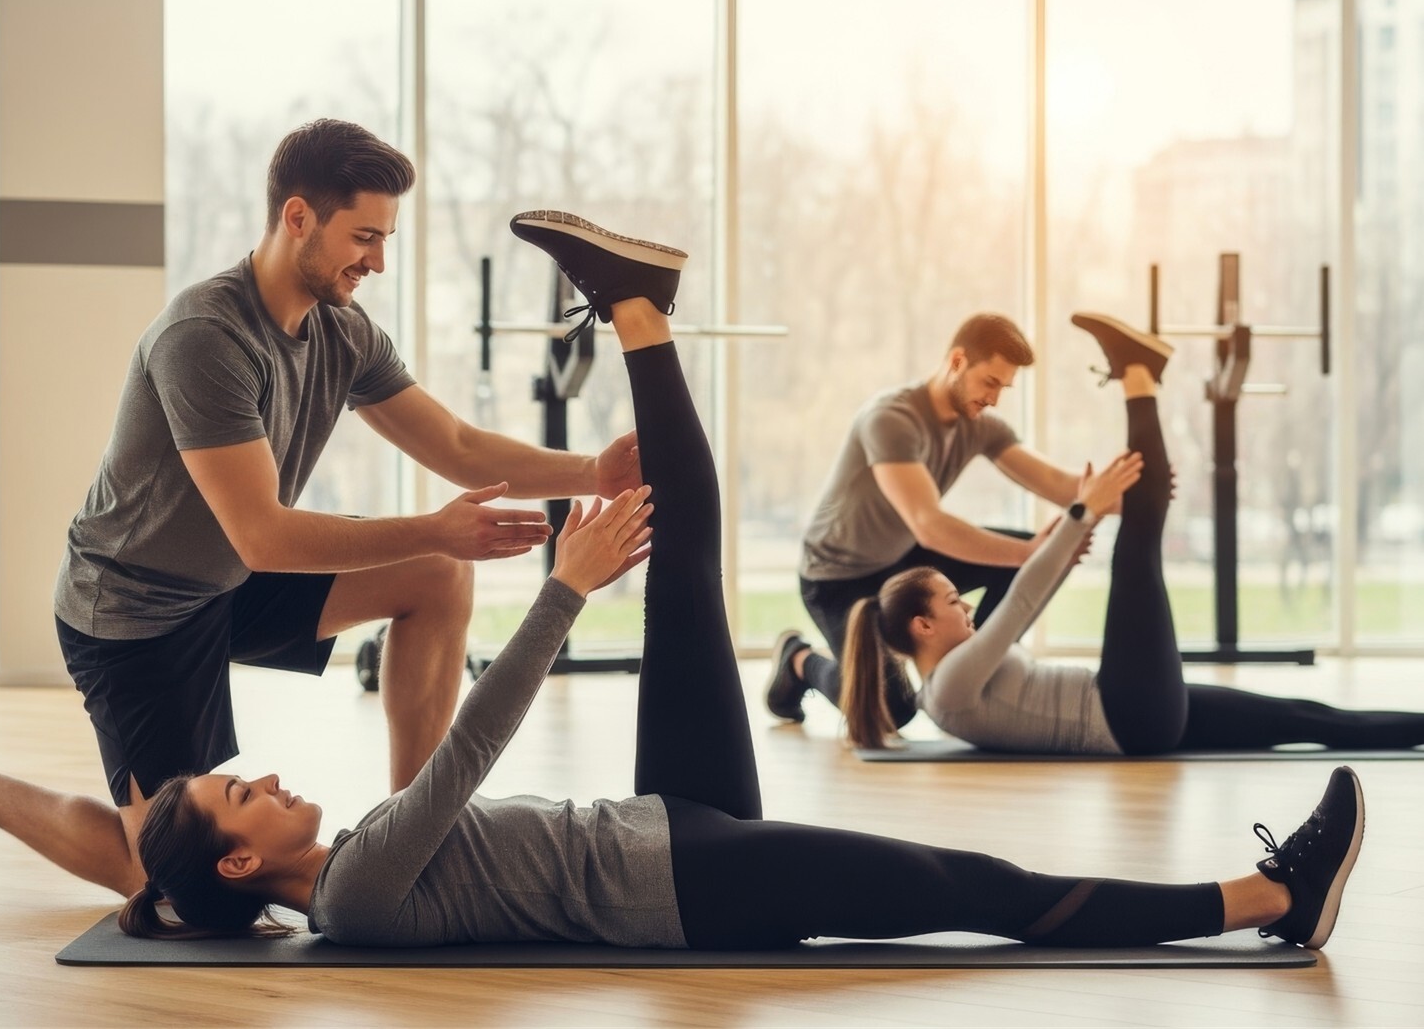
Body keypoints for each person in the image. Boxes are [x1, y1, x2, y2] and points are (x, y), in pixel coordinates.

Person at [115, 213, 1358, 953]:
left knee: (687, 577)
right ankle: (1264, 897)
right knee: (967, 887)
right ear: (237, 866)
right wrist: (562, 590)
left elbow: (463, 778)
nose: (265, 775)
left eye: (243, 773)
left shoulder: (349, 866)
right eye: (241, 793)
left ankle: (640, 310)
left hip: (658, 821)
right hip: (683, 885)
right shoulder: (356, 894)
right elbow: (467, 756)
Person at [0, 120, 642, 902]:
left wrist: (591, 471)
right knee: (160, 874)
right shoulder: (205, 335)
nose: (377, 260)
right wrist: (438, 527)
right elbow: (265, 535)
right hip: (136, 610)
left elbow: (455, 443)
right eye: (365, 237)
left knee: (437, 575)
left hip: (227, 581)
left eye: (385, 239)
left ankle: (417, 831)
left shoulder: (343, 330)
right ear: (298, 217)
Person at [839, 312, 1424, 757]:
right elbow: (1017, 604)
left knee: (1301, 717)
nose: (965, 604)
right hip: (1127, 714)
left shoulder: (954, 681)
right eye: (951, 602)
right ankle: (1137, 374)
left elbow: (1029, 594)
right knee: (1139, 548)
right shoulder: (948, 686)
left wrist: (1085, 513)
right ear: (923, 627)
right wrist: (1081, 518)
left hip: (1138, 712)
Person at [768, 314, 1088, 729]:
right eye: (990, 382)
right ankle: (798, 659)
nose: (994, 398)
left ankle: (974, 668)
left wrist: (1125, 490)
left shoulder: (979, 426)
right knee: (892, 710)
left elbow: (1058, 484)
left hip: (901, 558)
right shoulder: (892, 417)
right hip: (837, 578)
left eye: (1003, 388)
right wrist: (1031, 552)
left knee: (1033, 560)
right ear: (957, 361)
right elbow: (928, 524)